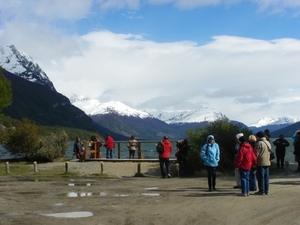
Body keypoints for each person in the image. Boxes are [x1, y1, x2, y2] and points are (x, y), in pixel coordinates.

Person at [254, 131, 272, 195]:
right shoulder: (268, 142)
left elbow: (256, 154)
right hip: (267, 161)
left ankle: (261, 190)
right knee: (266, 177)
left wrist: (254, 162)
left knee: (261, 177)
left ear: (258, 136)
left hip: (261, 162)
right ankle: (266, 190)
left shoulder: (259, 143)